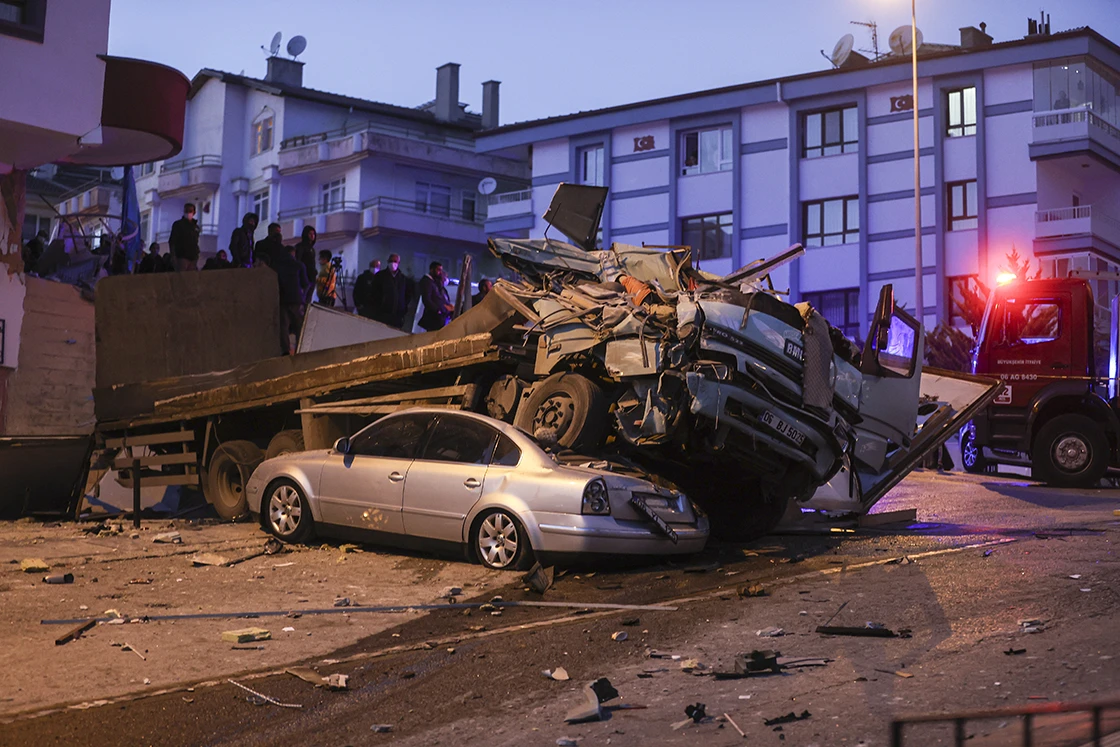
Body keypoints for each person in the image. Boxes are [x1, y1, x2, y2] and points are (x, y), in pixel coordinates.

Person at [272, 245, 311, 355]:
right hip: (297, 299)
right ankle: (300, 348)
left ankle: (285, 350)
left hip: (283, 299)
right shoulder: (299, 265)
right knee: (299, 326)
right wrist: (303, 297)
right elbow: (306, 284)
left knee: (284, 326)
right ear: (293, 253)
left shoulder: (278, 266)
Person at [371, 253, 410, 328]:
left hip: (397, 315)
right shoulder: (380, 276)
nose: (393, 263)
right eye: (391, 261)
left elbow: (407, 294)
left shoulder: (403, 278)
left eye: (395, 261)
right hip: (382, 314)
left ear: (399, 263)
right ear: (388, 261)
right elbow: (374, 294)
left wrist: (403, 308)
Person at [418, 261, 454, 331]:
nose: (440, 273)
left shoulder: (435, 283)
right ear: (432, 270)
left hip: (440, 319)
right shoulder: (427, 282)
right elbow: (427, 299)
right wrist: (438, 309)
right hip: (433, 319)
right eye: (438, 270)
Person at [169, 203, 201, 271]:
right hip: (182, 256)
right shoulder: (178, 225)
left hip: (193, 257)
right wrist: (173, 256)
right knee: (182, 278)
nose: (188, 213)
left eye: (190, 211)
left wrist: (196, 254)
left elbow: (196, 241)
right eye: (186, 211)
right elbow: (172, 241)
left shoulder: (195, 227)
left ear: (194, 212)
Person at [293, 226, 318, 292]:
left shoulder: (312, 249)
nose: (312, 236)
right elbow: (298, 261)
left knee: (308, 300)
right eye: (310, 234)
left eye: (313, 234)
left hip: (311, 278)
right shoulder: (300, 247)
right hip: (304, 279)